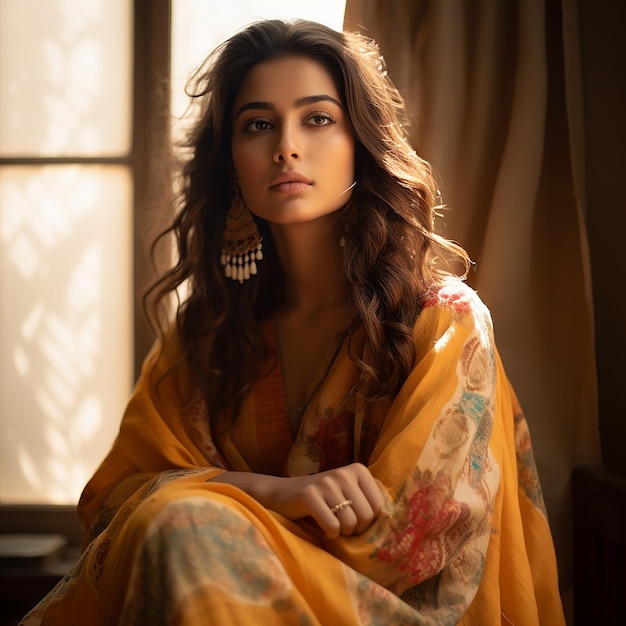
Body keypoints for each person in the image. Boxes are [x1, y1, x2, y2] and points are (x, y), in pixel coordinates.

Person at [21, 18, 565, 626]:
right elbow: (113, 501)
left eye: (317, 118)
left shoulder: (444, 323)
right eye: (258, 124)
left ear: (360, 140)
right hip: (193, 596)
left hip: (384, 608)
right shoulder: (207, 335)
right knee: (173, 530)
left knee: (183, 527)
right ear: (230, 163)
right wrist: (272, 492)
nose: (286, 145)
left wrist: (217, 522)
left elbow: (413, 538)